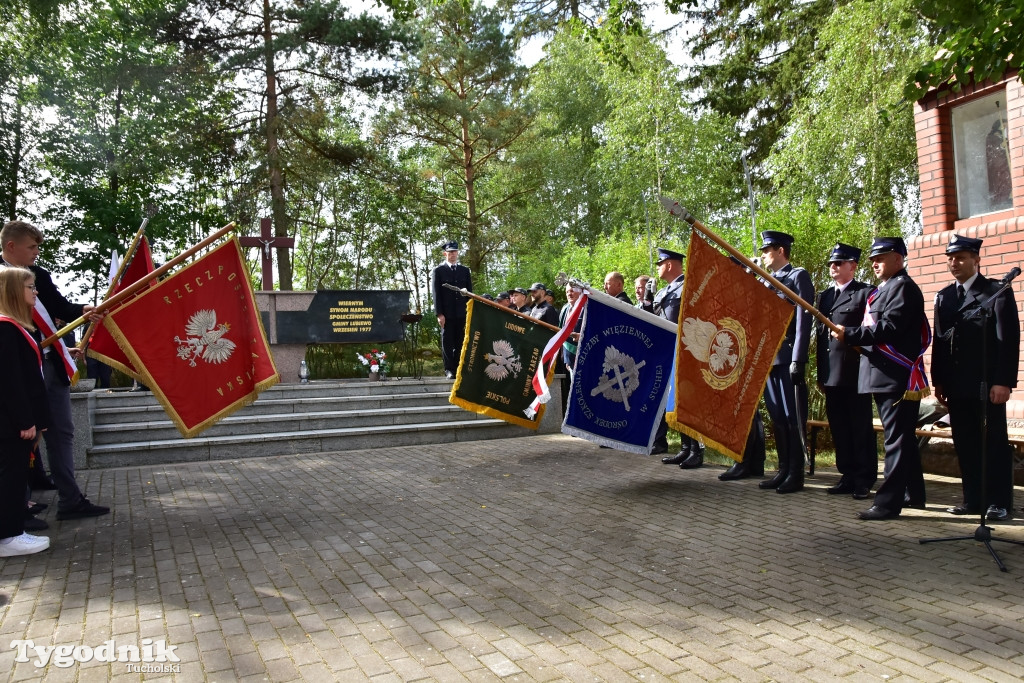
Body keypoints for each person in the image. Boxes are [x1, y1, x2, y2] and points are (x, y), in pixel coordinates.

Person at [1, 220, 109, 520]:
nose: (36, 253)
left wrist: (85, 310)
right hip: (21, 370)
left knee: (62, 433)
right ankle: (16, 509)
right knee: (20, 439)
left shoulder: (41, 276)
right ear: (11, 246)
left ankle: (71, 499)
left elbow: (60, 309)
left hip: (51, 364)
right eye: (31, 247)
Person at [834, 237, 929, 520]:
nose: (874, 262)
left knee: (895, 441)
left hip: (894, 375)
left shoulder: (903, 288)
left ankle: (888, 503)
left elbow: (890, 328)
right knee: (903, 439)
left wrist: (849, 333)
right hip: (881, 374)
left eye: (882, 257)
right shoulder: (884, 289)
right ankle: (914, 494)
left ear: (899, 258)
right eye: (873, 258)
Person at [932, 234, 1019, 521]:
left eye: (960, 258)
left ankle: (999, 502)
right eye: (950, 258)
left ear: (976, 260)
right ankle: (973, 499)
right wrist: (939, 381)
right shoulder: (944, 296)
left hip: (987, 385)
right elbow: (940, 342)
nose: (954, 263)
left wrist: (1004, 381)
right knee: (965, 442)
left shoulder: (997, 291)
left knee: (994, 442)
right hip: (956, 386)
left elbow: (1008, 341)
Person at [815, 243, 878, 499]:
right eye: (831, 263)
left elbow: (870, 333)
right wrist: (822, 373)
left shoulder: (866, 293)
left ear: (853, 266)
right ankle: (847, 474)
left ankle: (864, 479)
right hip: (832, 374)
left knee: (860, 427)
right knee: (840, 427)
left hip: (855, 373)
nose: (834, 266)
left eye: (839, 263)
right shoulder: (825, 296)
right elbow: (821, 339)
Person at [757, 231, 813, 494]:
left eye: (767, 250)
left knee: (792, 417)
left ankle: (796, 473)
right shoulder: (766, 281)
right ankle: (782, 469)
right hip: (769, 358)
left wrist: (798, 358)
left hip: (788, 355)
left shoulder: (797, 277)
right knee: (778, 416)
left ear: (781, 251)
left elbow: (804, 321)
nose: (763, 255)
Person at [0, 267, 51, 556]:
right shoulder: (5, 327)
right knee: (11, 477)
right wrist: (25, 421)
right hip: (12, 423)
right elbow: (10, 381)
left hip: (16, 420)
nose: (35, 291)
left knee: (16, 476)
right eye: (30, 287)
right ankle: (8, 536)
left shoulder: (15, 327)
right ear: (13, 291)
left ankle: (13, 530)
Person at [649, 247, 704, 467]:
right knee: (677, 404)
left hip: (687, 351)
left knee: (691, 403)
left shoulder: (688, 285)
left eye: (660, 264)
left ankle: (697, 450)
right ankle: (685, 447)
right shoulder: (663, 292)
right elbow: (652, 317)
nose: (658, 269)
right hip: (670, 351)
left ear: (669, 264)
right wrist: (648, 298)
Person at [431, 241, 472, 379]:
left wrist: (470, 312)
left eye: (454, 252)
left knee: (461, 341)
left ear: (457, 253)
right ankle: (449, 369)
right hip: (447, 314)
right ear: (445, 254)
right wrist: (439, 314)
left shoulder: (464, 271)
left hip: (462, 313)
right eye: (450, 252)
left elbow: (469, 294)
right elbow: (436, 294)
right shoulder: (439, 271)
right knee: (447, 342)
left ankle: (458, 368)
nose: (452, 254)